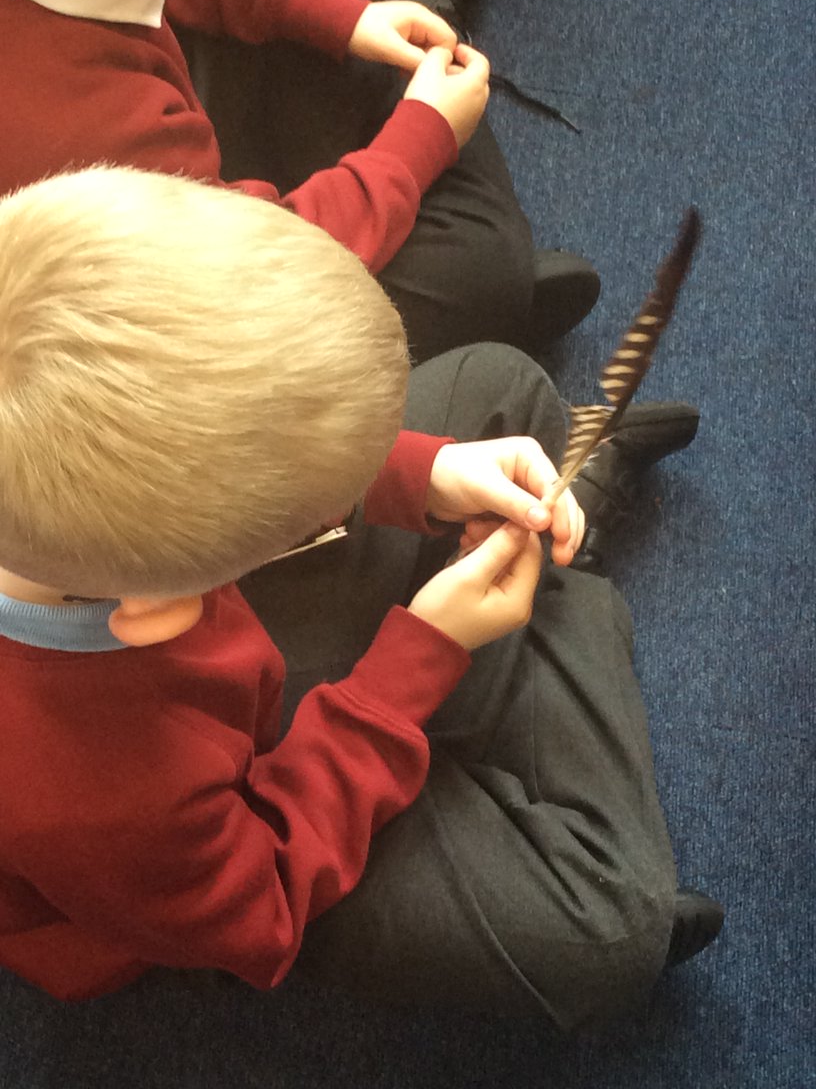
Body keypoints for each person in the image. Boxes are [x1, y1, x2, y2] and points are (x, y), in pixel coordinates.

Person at [0, 166, 721, 1031]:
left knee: (503, 392)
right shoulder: (95, 800)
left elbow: (240, 461)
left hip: (205, 645)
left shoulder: (86, 517)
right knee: (607, 931)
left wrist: (422, 473)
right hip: (233, 859)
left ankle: (502, 654)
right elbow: (260, 909)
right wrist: (415, 667)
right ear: (162, 602)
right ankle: (519, 646)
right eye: (313, 513)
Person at [0, 0, 600, 362]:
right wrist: (419, 140)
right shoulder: (87, 128)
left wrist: (346, 18)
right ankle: (477, 281)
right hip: (180, 308)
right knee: (480, 263)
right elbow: (254, 269)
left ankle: (422, 201)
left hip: (191, 201)